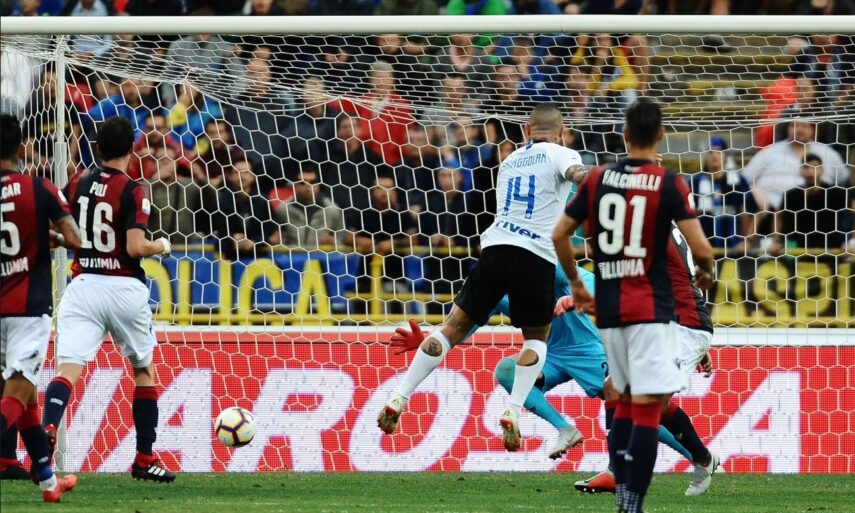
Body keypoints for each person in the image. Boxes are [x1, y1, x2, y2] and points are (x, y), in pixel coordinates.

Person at [377, 103, 593, 453]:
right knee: (536, 339)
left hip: (493, 250)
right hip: (535, 255)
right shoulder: (561, 152)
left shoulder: (509, 161)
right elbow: (579, 175)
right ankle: (513, 409)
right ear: (561, 131)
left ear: (526, 130)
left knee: (450, 329)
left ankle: (399, 396)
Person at [553, 98, 714, 513]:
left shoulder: (616, 192)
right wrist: (708, 272)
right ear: (660, 135)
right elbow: (695, 258)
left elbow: (564, 236)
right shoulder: (662, 193)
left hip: (671, 320)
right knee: (626, 395)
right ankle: (627, 478)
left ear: (625, 135)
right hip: (649, 316)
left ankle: (657, 477)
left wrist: (578, 287)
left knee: (638, 401)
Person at [41, 117, 177, 483]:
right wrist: (160, 245)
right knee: (143, 371)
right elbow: (135, 247)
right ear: (132, 149)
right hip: (123, 288)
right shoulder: (135, 190)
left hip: (83, 285)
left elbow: (56, 225)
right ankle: (144, 459)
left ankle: (48, 430)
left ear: (98, 149)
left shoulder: (78, 182)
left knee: (67, 371)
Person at [574, 227, 720, 497]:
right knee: (615, 387)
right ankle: (618, 471)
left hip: (684, 326)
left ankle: (627, 471)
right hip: (673, 324)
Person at [0, 114, 82, 501]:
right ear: (21, 148)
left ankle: (49, 483)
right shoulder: (39, 188)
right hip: (28, 309)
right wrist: (53, 238)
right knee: (16, 394)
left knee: (27, 397)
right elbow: (75, 239)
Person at [769, 153, 852, 254]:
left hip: (831, 249)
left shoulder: (836, 193)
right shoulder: (791, 195)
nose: (810, 171)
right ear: (801, 171)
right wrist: (776, 241)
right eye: (806, 167)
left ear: (822, 170)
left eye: (815, 167)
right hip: (795, 249)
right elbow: (779, 217)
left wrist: (851, 242)